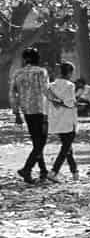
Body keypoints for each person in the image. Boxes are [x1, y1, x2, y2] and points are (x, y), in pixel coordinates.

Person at [10, 49, 50, 185]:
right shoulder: (41, 72)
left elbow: (12, 94)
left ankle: (43, 171)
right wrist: (59, 102)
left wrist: (16, 113)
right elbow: (46, 90)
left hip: (26, 111)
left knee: (36, 142)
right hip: (41, 110)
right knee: (41, 142)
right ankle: (27, 168)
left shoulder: (17, 73)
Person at [45, 62, 79, 181]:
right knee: (66, 147)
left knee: (67, 146)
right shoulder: (70, 85)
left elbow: (51, 102)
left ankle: (75, 172)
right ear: (69, 73)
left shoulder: (50, 86)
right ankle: (54, 171)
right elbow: (69, 102)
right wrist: (76, 104)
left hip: (56, 120)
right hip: (68, 120)